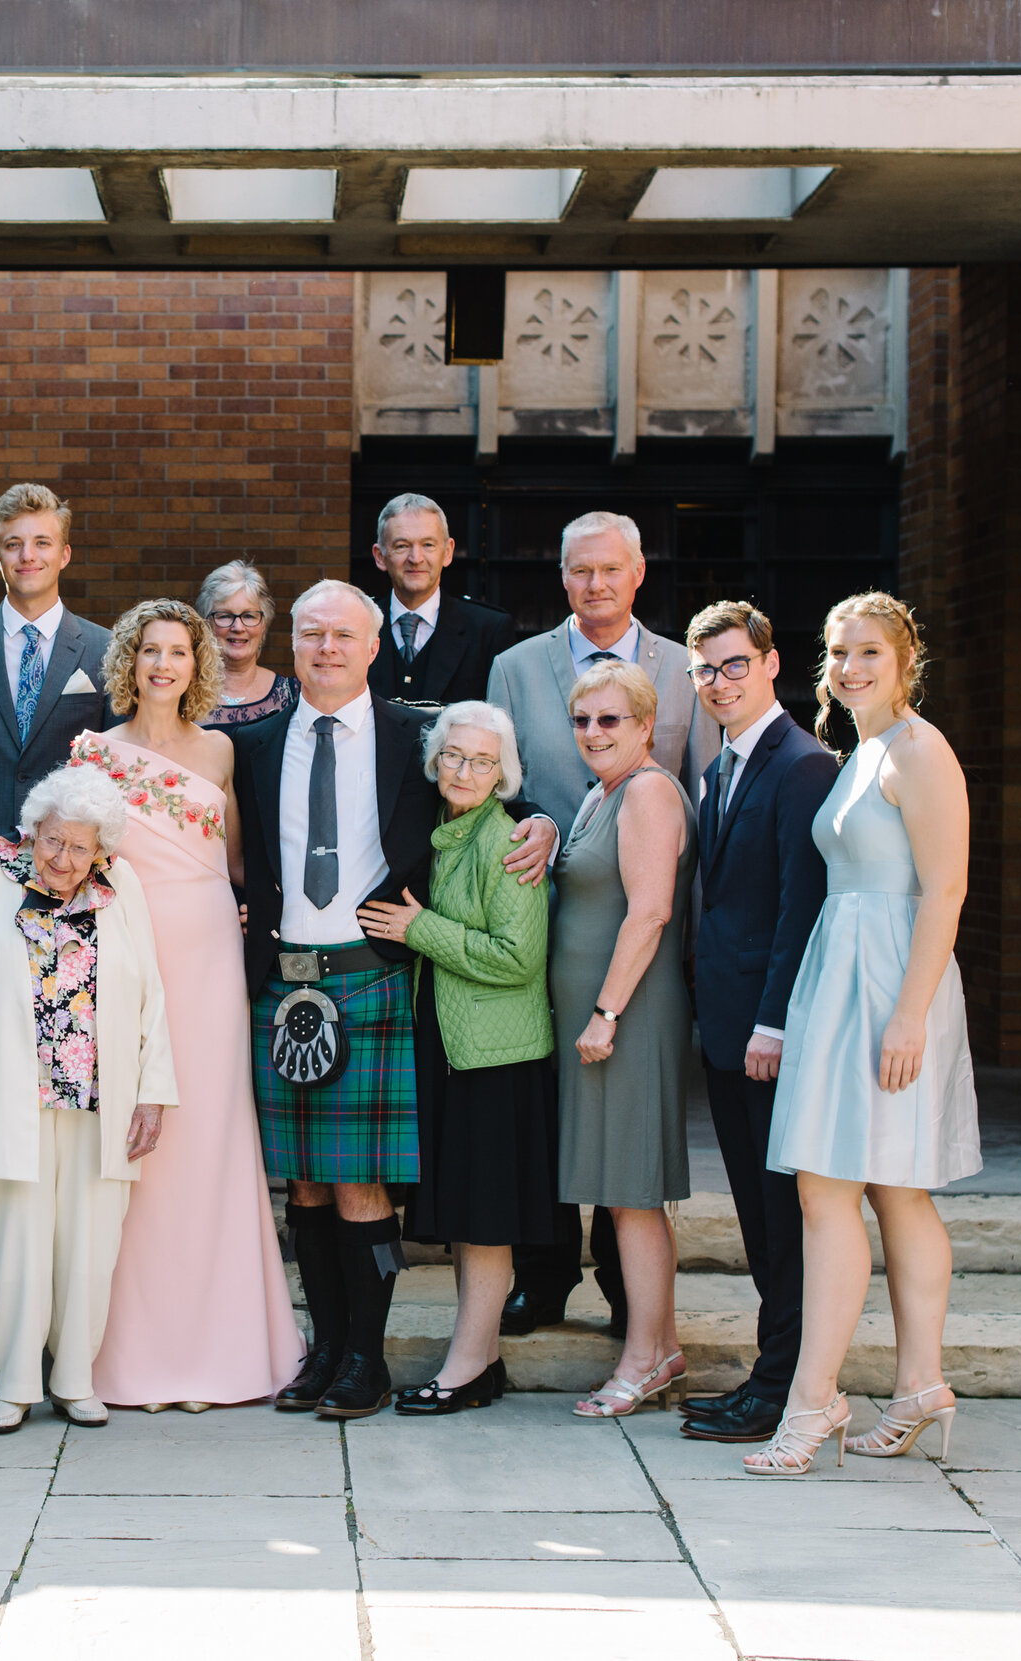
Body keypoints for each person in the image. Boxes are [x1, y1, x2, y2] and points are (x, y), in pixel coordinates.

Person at [747, 593, 979, 1476]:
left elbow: (946, 891)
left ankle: (812, 1405)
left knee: (835, 1192)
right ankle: (919, 1382)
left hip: (890, 987)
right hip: (842, 978)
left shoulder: (920, 750)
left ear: (906, 657)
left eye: (869, 651)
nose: (850, 666)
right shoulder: (861, 750)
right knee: (887, 1190)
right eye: (839, 651)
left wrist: (910, 1014)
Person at [71, 599, 306, 1411]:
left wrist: (243, 913)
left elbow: (236, 858)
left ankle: (219, 1348)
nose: (163, 665)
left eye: (178, 651)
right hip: (128, 952)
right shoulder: (94, 753)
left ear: (196, 663)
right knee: (136, 1146)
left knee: (207, 1139)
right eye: (149, 651)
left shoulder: (222, 749)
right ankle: (130, 1353)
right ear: (129, 663)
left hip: (207, 960)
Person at [487, 510, 714, 1338]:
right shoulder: (515, 667)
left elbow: (697, 797)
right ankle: (543, 1281)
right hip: (548, 925)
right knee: (558, 1126)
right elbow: (501, 788)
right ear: (562, 576)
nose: (596, 584)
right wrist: (543, 822)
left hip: (636, 945)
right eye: (580, 570)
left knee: (623, 1149)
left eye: (610, 569)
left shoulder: (686, 674)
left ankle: (633, 1309)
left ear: (639, 572)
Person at [222, 579, 435, 1422]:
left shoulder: (418, 735)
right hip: (285, 980)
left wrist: (536, 824)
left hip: (370, 973)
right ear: (294, 644)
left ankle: (368, 1360)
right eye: (311, 634)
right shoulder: (255, 743)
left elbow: (491, 788)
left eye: (344, 634)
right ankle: (324, 1347)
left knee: (359, 1186)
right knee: (304, 1185)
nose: (327, 648)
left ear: (373, 644)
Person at [0, 767, 177, 1435]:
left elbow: (149, 990)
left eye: (79, 848)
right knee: (13, 1243)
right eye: (52, 841)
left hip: (101, 1095)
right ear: (32, 830)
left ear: (101, 850)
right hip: (11, 1089)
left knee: (90, 1246)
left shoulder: (123, 886)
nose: (63, 860)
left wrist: (153, 1092)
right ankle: (13, 1383)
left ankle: (74, 1378)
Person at [358, 701, 554, 1415]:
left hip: (497, 1058)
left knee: (485, 1217)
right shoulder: (443, 832)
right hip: (453, 1047)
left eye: (481, 760)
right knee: (471, 1214)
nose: (465, 770)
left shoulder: (506, 841)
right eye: (453, 756)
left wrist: (421, 929)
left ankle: (467, 1366)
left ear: (503, 772)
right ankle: (483, 1360)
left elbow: (518, 958)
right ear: (434, 762)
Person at [673, 602, 837, 1447]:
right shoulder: (721, 765)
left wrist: (772, 1024)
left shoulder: (801, 764)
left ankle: (783, 1388)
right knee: (755, 1214)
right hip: (729, 1027)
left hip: (768, 1036)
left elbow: (796, 909)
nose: (720, 682)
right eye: (706, 669)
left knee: (781, 1218)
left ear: (772, 665)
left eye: (735, 664)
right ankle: (772, 1377)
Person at [552, 659, 695, 1419]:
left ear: (646, 725)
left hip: (628, 1018)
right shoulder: (597, 794)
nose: (594, 733)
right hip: (603, 1023)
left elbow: (649, 912)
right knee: (618, 1192)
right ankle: (660, 1345)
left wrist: (606, 1011)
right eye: (583, 720)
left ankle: (644, 1358)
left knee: (632, 1193)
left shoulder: (645, 790)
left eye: (610, 720)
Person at [0, 483, 114, 835]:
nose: (28, 555)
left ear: (65, 554)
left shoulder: (106, 649)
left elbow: (115, 767)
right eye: (13, 544)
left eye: (42, 542)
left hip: (68, 861)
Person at [364, 494, 515, 709]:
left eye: (428, 545)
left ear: (448, 552)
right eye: (401, 546)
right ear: (380, 556)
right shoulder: (356, 626)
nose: (416, 558)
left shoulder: (489, 630)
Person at [196, 560, 298, 727]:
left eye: (249, 616)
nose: (238, 627)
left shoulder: (292, 695)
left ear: (263, 625)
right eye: (225, 616)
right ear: (206, 624)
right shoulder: (182, 693)